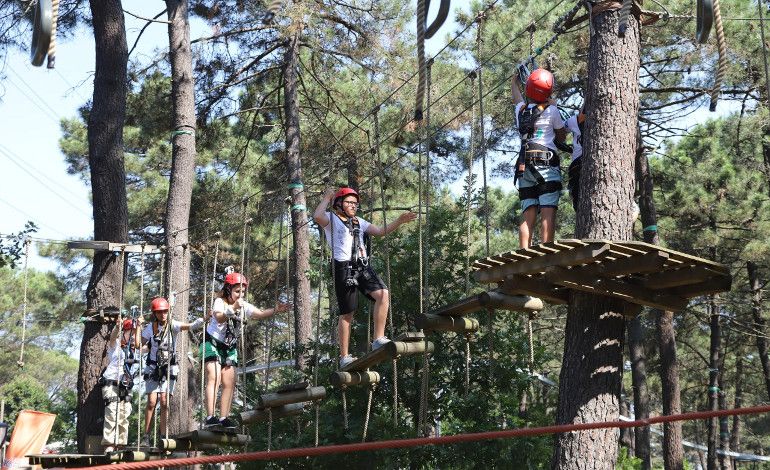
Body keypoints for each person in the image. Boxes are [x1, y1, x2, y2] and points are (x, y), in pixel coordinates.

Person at [313, 187, 417, 368]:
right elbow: (317, 216)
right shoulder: (331, 219)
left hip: (362, 266)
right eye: (349, 202)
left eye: (355, 203)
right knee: (347, 313)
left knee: (383, 294)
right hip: (344, 267)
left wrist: (399, 221)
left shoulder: (359, 222)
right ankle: (344, 357)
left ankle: (378, 338)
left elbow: (380, 231)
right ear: (339, 204)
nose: (353, 206)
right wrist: (326, 197)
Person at [202, 272, 291, 429]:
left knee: (229, 381)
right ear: (228, 290)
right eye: (237, 291)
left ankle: (224, 417)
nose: (240, 295)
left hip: (229, 346)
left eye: (243, 292)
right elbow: (219, 317)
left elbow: (260, 314)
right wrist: (233, 308)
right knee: (214, 377)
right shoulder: (219, 302)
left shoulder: (243, 306)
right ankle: (210, 417)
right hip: (213, 342)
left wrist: (276, 310)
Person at [511, 67, 568, 248]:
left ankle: (523, 252)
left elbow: (517, 98)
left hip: (524, 166)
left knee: (528, 213)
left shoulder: (521, 111)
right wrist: (554, 105)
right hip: (546, 163)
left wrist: (514, 82)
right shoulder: (552, 111)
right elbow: (561, 136)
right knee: (547, 211)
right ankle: (547, 251)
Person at [138, 297, 203, 447]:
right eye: (160, 312)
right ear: (155, 313)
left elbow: (190, 326)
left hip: (168, 368)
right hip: (154, 368)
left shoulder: (172, 325)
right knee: (151, 402)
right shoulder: (150, 328)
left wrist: (201, 320)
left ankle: (162, 435)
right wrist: (137, 328)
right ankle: (146, 436)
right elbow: (138, 344)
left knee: (164, 402)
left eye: (165, 311)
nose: (163, 315)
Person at [101, 317, 137, 452]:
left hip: (126, 385)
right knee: (112, 413)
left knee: (124, 414)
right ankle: (109, 444)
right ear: (124, 332)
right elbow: (112, 337)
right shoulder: (115, 345)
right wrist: (117, 327)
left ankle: (121, 444)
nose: (132, 336)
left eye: (134, 333)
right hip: (112, 383)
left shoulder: (135, 349)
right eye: (129, 332)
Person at [565, 106, 585, 213]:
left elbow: (560, 130)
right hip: (579, 164)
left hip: (577, 165)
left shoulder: (574, 120)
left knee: (579, 204)